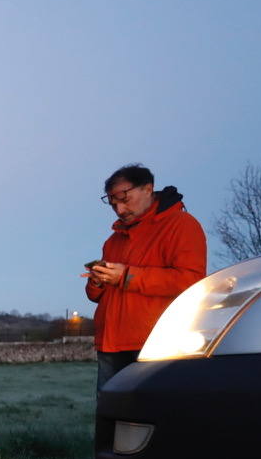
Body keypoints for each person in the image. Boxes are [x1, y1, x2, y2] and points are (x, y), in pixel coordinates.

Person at [85, 164, 206, 388]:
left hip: (155, 343)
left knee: (152, 408)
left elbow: (191, 282)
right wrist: (97, 281)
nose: (120, 209)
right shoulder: (114, 240)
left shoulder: (182, 225)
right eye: (113, 204)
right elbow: (95, 296)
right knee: (110, 408)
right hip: (110, 343)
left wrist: (126, 277)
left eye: (124, 199)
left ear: (148, 189)